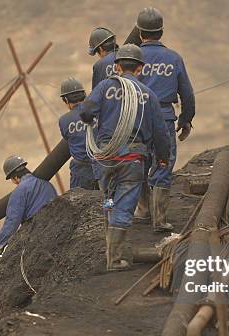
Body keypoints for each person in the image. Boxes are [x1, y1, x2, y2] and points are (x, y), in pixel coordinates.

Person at [80, 43, 170, 271]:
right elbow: (160, 132)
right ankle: (115, 259)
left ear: (117, 66)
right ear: (140, 68)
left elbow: (85, 112)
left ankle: (110, 252)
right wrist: (163, 157)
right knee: (124, 205)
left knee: (109, 200)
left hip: (105, 159)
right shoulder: (148, 95)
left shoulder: (103, 88)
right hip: (131, 160)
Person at [135, 7, 196, 232]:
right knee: (163, 161)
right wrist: (185, 120)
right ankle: (159, 219)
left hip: (137, 119)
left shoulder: (131, 57)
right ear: (161, 31)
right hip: (164, 117)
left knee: (139, 161)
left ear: (141, 33)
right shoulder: (173, 58)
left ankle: (142, 211)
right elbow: (187, 94)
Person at [0, 155, 57, 254]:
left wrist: (1, 242)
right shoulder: (48, 185)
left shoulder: (19, 191)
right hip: (55, 229)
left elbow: (13, 219)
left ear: (15, 177)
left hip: (36, 234)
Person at [58, 77, 98, 190]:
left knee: (79, 205)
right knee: (107, 203)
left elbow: (67, 138)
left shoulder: (64, 120)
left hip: (80, 173)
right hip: (103, 167)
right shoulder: (98, 111)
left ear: (65, 99)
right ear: (84, 95)